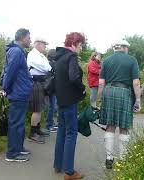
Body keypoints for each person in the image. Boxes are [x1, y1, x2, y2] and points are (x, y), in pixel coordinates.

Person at [98, 39, 141, 169]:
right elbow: (136, 83)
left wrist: (99, 99)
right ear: (124, 48)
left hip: (109, 91)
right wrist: (138, 100)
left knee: (110, 125)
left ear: (115, 48)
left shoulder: (106, 60)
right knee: (124, 126)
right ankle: (123, 159)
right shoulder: (132, 60)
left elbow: (101, 83)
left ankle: (109, 158)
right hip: (124, 92)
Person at [53, 32, 86, 180]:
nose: (80, 49)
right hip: (70, 100)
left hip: (60, 100)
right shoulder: (71, 56)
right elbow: (73, 77)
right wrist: (82, 88)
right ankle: (69, 171)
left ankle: (58, 165)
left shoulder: (59, 57)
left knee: (62, 131)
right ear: (74, 44)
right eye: (80, 45)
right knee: (71, 133)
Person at [0, 28, 33, 162]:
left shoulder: (17, 51)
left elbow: (9, 70)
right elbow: (9, 72)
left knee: (19, 122)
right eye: (29, 37)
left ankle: (18, 148)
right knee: (16, 123)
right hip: (18, 93)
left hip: (21, 92)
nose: (30, 40)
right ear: (23, 38)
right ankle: (12, 154)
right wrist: (4, 88)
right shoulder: (16, 51)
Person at [27, 37, 52, 143]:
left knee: (40, 107)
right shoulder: (32, 55)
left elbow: (48, 66)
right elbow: (46, 68)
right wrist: (49, 69)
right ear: (37, 44)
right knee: (37, 109)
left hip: (42, 82)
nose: (45, 47)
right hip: (36, 82)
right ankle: (32, 133)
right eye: (44, 44)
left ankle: (37, 129)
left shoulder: (41, 55)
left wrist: (49, 69)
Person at [46, 49, 58, 133]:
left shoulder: (47, 62)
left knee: (51, 106)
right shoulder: (53, 64)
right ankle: (49, 125)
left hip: (48, 87)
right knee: (52, 107)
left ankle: (50, 122)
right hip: (52, 88)